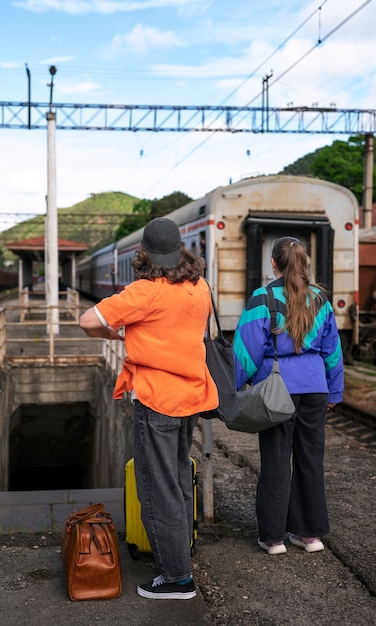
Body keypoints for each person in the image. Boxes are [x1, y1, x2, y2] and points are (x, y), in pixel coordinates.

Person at [79, 217, 218, 598]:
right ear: (181, 251)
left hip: (156, 401)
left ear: (144, 254)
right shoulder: (199, 286)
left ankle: (176, 578)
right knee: (177, 480)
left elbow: (87, 320)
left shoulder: (144, 292)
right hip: (191, 396)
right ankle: (181, 554)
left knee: (157, 491)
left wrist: (116, 330)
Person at [233, 236, 343, 555]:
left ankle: (274, 538)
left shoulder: (262, 298)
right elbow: (333, 351)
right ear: (304, 263)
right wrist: (334, 390)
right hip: (315, 388)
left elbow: (246, 352)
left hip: (276, 391)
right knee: (311, 460)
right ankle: (310, 536)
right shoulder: (320, 298)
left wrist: (232, 389)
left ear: (273, 264)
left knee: (277, 461)